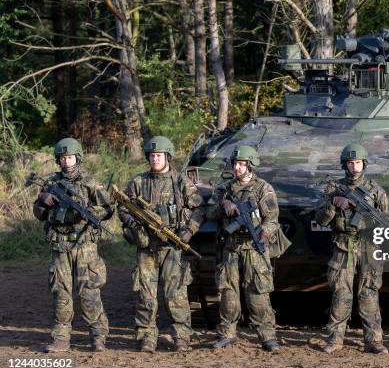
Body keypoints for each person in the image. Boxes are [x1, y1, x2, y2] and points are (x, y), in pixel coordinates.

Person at [119, 136, 203, 353]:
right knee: (145, 295)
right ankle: (146, 336)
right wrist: (129, 220)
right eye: (152, 155)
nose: (155, 159)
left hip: (173, 248)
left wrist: (188, 231)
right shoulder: (138, 182)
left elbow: (199, 209)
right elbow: (123, 206)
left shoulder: (181, 182)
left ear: (168, 156)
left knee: (175, 294)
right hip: (147, 248)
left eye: (159, 155)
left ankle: (181, 337)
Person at [33, 138, 113, 353]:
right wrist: (44, 199)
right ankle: (60, 337)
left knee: (89, 291)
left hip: (85, 245)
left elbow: (107, 209)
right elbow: (39, 214)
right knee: (61, 291)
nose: (66, 162)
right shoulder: (50, 183)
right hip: (60, 246)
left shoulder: (91, 182)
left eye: (70, 157)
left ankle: (98, 334)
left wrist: (86, 212)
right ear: (58, 160)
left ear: (78, 158)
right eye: (62, 158)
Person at [315, 143, 389, 354]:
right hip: (342, 246)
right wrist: (334, 204)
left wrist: (367, 213)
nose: (354, 167)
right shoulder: (333, 189)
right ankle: (335, 339)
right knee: (341, 293)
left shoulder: (375, 190)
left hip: (368, 246)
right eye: (350, 163)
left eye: (357, 163)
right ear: (344, 165)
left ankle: (374, 340)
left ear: (363, 164)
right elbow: (320, 219)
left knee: (369, 293)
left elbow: (388, 221)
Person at [208, 145, 282, 352]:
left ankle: (267, 336)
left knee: (258, 292)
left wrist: (264, 233)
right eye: (235, 164)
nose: (237, 168)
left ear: (251, 165)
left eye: (242, 164)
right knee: (227, 292)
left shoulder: (263, 189)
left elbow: (273, 220)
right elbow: (210, 214)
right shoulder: (224, 189)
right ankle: (227, 333)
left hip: (253, 247)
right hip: (230, 247)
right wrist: (224, 206)